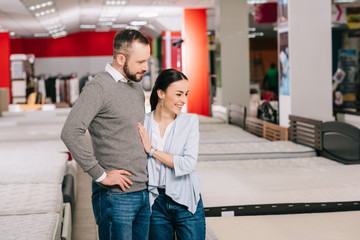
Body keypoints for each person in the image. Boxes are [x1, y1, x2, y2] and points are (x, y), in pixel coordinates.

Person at [61, 29, 151, 240]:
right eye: (140, 62)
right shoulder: (98, 88)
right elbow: (70, 131)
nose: (145, 68)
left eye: (147, 60)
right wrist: (100, 174)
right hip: (115, 196)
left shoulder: (135, 86)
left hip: (142, 191)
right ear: (121, 58)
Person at [137, 69, 205, 240]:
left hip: (186, 200)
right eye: (179, 94)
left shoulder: (189, 122)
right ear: (161, 93)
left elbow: (188, 164)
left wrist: (152, 151)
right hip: (156, 202)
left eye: (186, 94)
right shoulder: (142, 122)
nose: (184, 100)